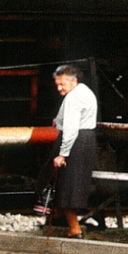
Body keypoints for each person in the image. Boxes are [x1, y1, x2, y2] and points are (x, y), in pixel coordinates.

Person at [51, 65, 98, 239]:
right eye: (57, 84)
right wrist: (60, 119)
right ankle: (56, 215)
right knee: (75, 182)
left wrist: (63, 154)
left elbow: (71, 129)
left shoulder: (72, 98)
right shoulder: (84, 91)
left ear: (73, 81)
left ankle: (74, 228)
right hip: (87, 139)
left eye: (62, 84)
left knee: (68, 184)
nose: (59, 88)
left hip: (75, 142)